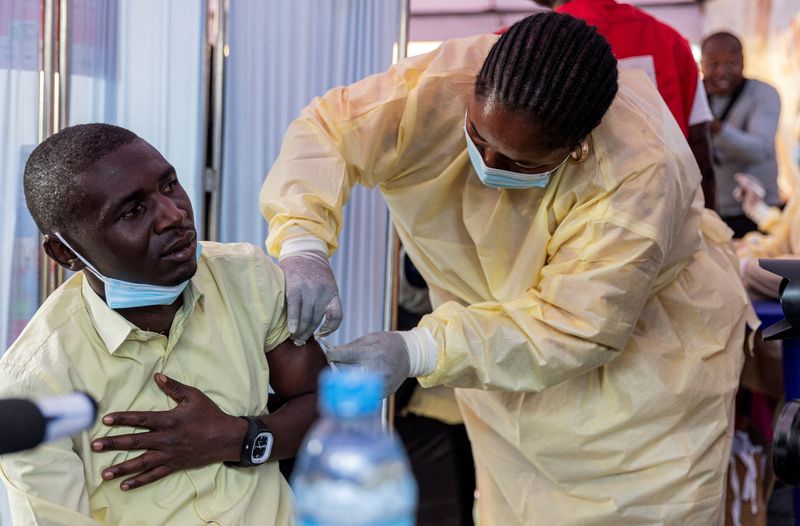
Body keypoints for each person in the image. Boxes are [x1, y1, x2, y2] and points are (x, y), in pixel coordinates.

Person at [261, 12, 752, 525]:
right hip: (502, 367)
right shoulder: (439, 84)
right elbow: (328, 131)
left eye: (521, 163)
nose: (489, 164)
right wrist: (302, 241)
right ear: (474, 87)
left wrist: (421, 348)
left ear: (578, 146)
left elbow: (575, 326)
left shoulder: (642, 172)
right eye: (477, 134)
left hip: (644, 391)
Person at [0, 124, 327, 525]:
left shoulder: (246, 278)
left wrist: (240, 439)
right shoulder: (37, 382)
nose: (175, 216)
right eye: (134, 211)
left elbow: (328, 405)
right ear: (65, 252)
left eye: (169, 185)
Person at [530, 0, 717, 210]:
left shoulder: (518, 45)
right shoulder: (670, 41)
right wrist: (708, 219)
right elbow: (699, 141)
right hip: (662, 212)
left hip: (563, 220)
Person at [702, 31, 782, 238]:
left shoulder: (763, 94)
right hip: (711, 213)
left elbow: (758, 150)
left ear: (743, 61)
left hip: (759, 214)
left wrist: (716, 128)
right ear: (701, 64)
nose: (722, 72)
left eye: (730, 63)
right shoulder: (696, 95)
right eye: (712, 64)